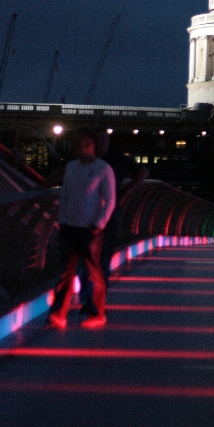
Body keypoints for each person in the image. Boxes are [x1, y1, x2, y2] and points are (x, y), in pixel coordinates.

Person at [47, 129, 116, 329]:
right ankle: (58, 314)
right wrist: (62, 220)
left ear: (88, 143)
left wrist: (98, 224)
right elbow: (65, 194)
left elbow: (110, 200)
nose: (75, 146)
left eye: (78, 142)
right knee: (65, 273)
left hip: (90, 230)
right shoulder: (71, 167)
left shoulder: (103, 169)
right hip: (69, 227)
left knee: (93, 272)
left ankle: (97, 314)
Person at [78, 130, 147, 316]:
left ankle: (94, 302)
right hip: (85, 216)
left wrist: (127, 190)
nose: (101, 143)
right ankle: (88, 300)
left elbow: (143, 171)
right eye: (98, 139)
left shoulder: (116, 159)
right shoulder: (86, 159)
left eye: (103, 139)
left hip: (107, 217)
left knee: (100, 260)